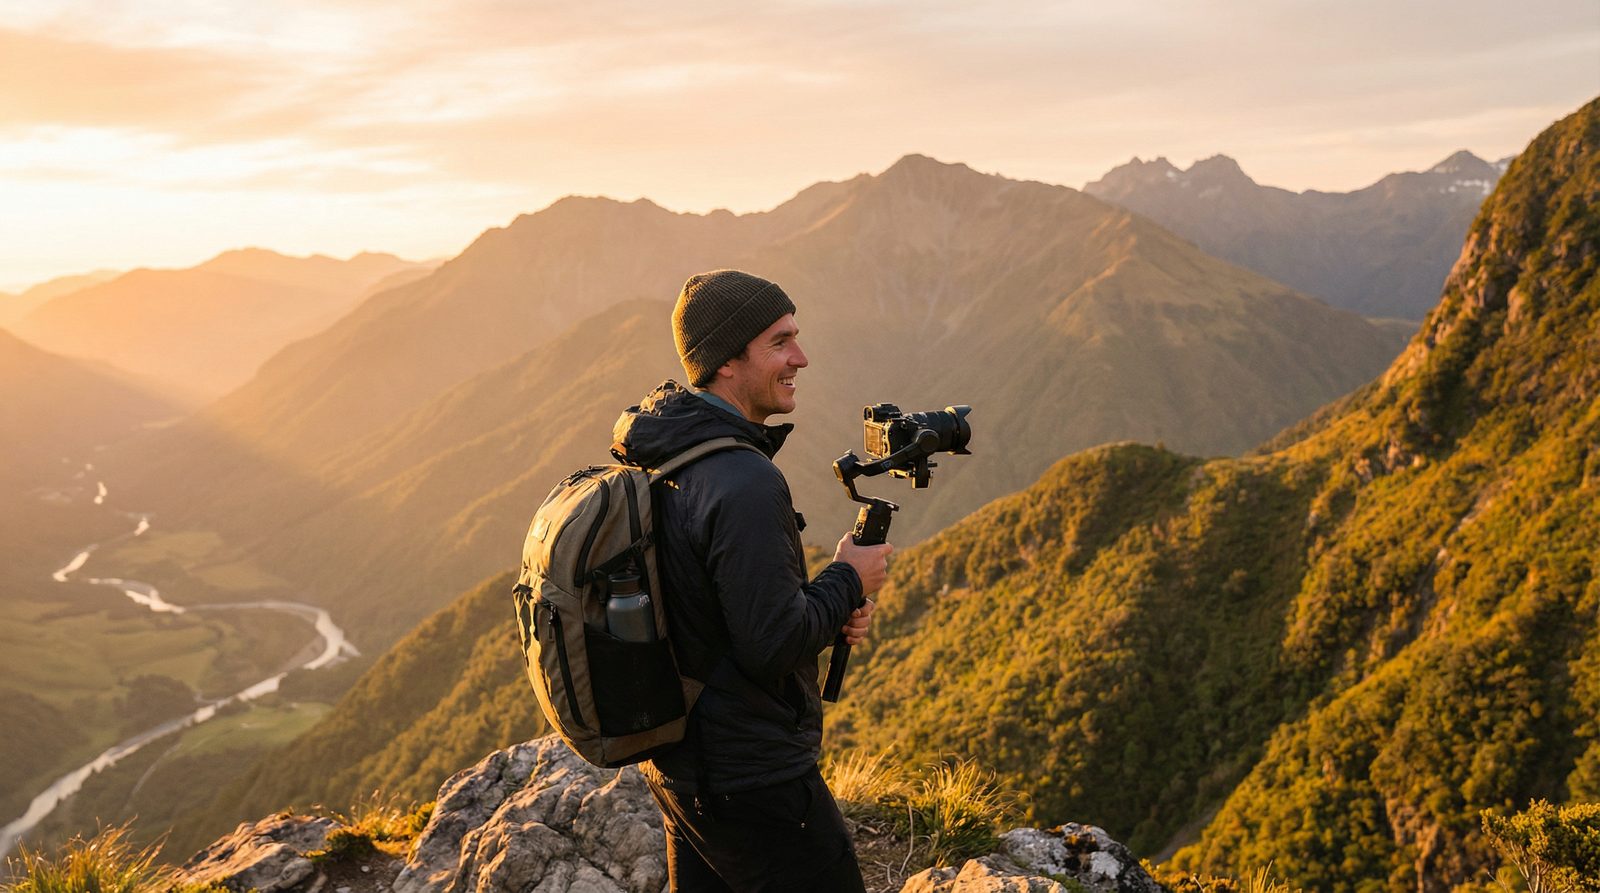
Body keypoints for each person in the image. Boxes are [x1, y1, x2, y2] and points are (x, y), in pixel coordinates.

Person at [610, 269, 893, 891]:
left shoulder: (668, 454)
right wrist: (849, 577)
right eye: (779, 342)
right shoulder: (742, 480)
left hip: (683, 763)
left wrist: (831, 599)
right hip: (752, 776)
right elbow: (773, 645)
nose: (801, 358)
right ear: (725, 361)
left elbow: (717, 612)